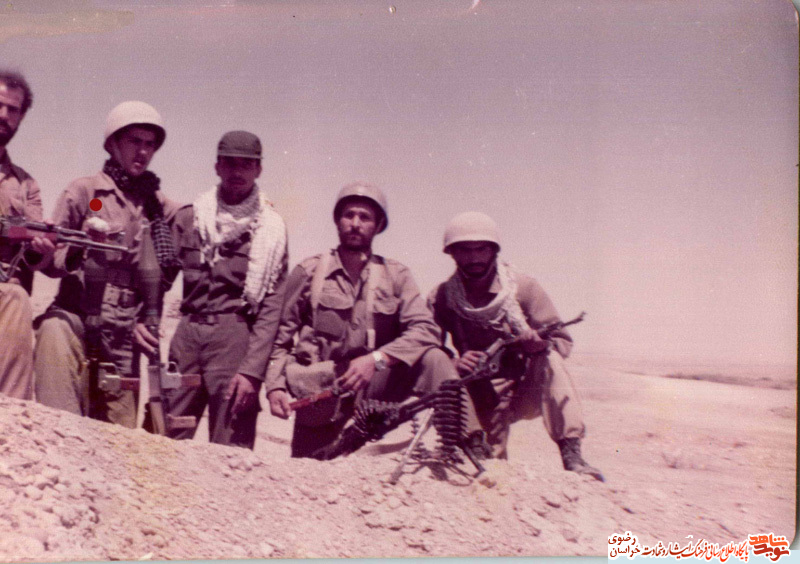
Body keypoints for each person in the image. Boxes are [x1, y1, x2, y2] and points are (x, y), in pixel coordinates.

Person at [266, 183, 478, 458]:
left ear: (378, 226)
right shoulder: (308, 272)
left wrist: (376, 360)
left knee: (434, 358)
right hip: (323, 393)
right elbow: (279, 339)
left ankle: (469, 445)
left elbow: (426, 330)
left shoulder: (396, 276)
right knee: (310, 468)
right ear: (337, 221)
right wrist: (275, 387)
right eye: (349, 215)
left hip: (377, 387)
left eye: (365, 217)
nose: (355, 223)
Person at [33, 101, 180, 427]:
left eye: (150, 144)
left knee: (119, 436)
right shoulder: (88, 193)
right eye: (134, 141)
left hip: (125, 334)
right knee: (61, 414)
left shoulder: (160, 208)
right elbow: (51, 263)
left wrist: (145, 318)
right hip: (79, 314)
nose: (143, 151)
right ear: (113, 143)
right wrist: (79, 246)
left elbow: (166, 270)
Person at [139, 131, 288, 449]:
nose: (237, 172)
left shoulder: (271, 230)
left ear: (258, 170)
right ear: (217, 166)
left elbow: (271, 309)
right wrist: (145, 318)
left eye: (246, 165)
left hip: (234, 340)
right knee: (164, 435)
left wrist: (252, 372)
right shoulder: (191, 218)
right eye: (230, 163)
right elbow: (160, 277)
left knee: (230, 446)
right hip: (187, 338)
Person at [428, 211, 604, 481]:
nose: (474, 258)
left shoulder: (523, 288)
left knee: (550, 359)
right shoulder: (442, 297)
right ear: (451, 253)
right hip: (478, 397)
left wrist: (538, 345)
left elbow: (562, 341)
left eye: (481, 249)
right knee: (490, 471)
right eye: (464, 250)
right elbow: (428, 350)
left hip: (524, 389)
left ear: (494, 250)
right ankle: (474, 445)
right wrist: (454, 362)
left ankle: (572, 453)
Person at [0, 70, 54, 400]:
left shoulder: (26, 185)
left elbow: (35, 255)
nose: (3, 115)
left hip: (7, 296)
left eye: (13, 110)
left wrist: (41, 249)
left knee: (16, 299)